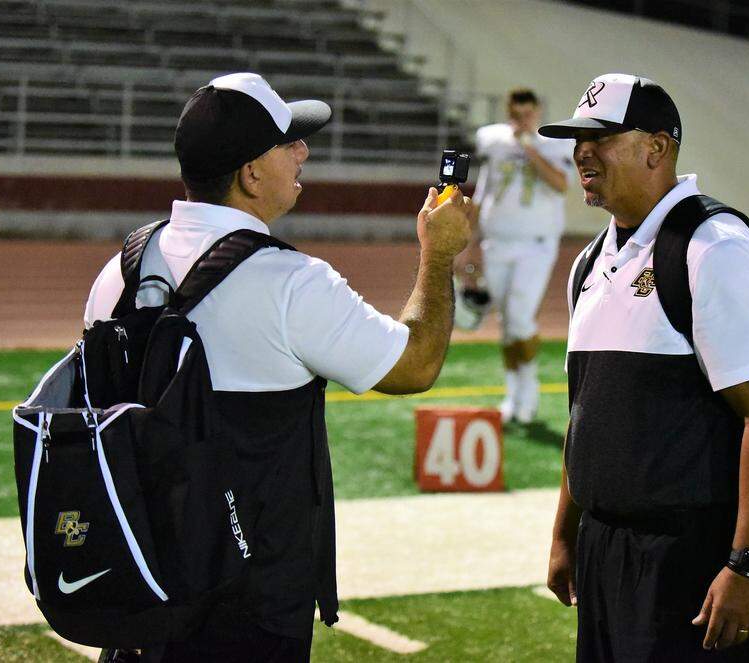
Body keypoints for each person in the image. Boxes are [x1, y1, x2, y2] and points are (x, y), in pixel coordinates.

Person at [83, 72, 471, 662]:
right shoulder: (291, 282)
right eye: (287, 141)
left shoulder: (118, 272)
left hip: (136, 589)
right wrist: (438, 253)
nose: (303, 151)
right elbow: (415, 365)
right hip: (248, 604)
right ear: (250, 173)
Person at [541, 73, 749, 661]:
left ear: (657, 147)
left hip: (690, 558)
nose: (583, 150)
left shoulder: (716, 248)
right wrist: (565, 532)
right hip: (604, 548)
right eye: (577, 137)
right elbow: (585, 413)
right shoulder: (589, 262)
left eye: (601, 136)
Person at [466, 88, 573, 424]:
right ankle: (513, 393)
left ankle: (528, 392)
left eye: (527, 114)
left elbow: (560, 184)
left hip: (535, 243)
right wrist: (467, 244)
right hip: (497, 241)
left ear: (538, 112)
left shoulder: (554, 144)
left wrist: (529, 148)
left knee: (520, 318)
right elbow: (484, 194)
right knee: (506, 324)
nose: (521, 120)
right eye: (516, 114)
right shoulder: (496, 144)